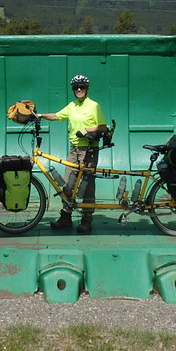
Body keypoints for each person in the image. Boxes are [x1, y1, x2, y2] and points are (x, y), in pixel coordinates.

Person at [40, 74, 109, 234]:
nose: (79, 89)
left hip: (89, 149)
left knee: (87, 184)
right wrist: (40, 115)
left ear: (87, 88)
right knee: (68, 184)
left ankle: (87, 219)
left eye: (82, 87)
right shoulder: (72, 106)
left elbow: (103, 127)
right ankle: (65, 217)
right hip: (74, 149)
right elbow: (57, 116)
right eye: (76, 87)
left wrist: (86, 130)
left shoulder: (94, 106)